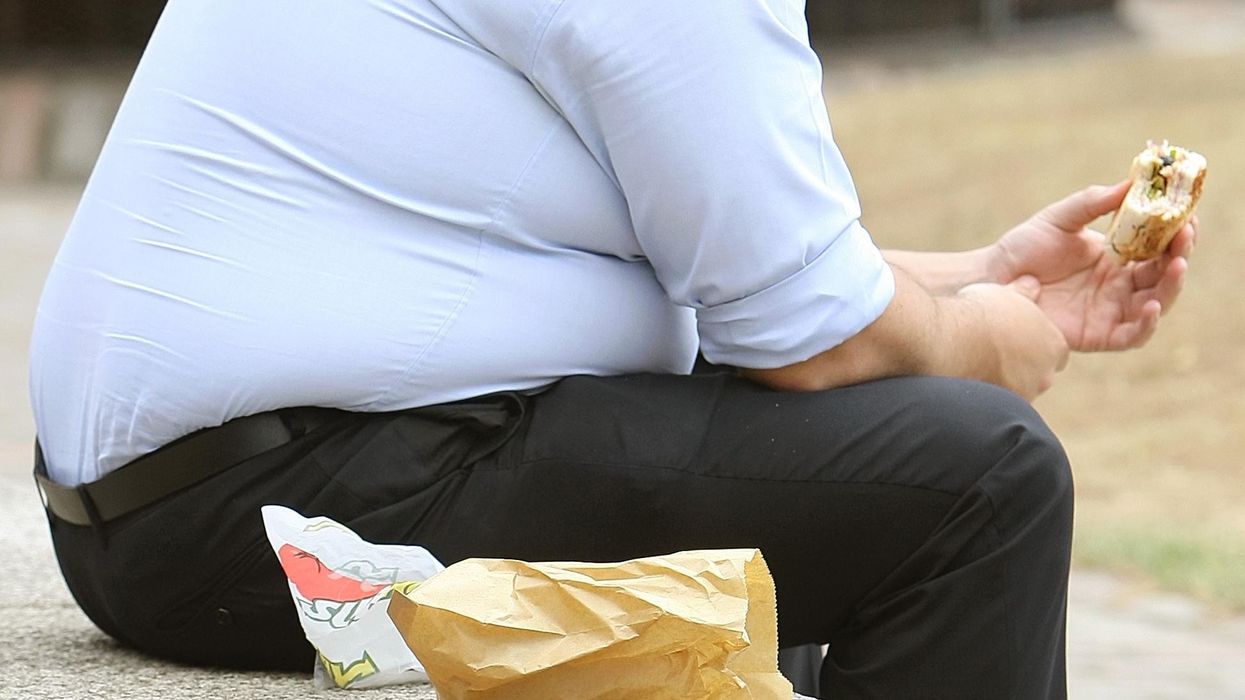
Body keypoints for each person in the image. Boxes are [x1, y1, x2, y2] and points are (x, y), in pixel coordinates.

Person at [29, 1, 1193, 698]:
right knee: (980, 476)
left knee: (832, 456)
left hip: (168, 505)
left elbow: (753, 276)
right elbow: (808, 338)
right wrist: (985, 341)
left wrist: (973, 278)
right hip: (286, 519)